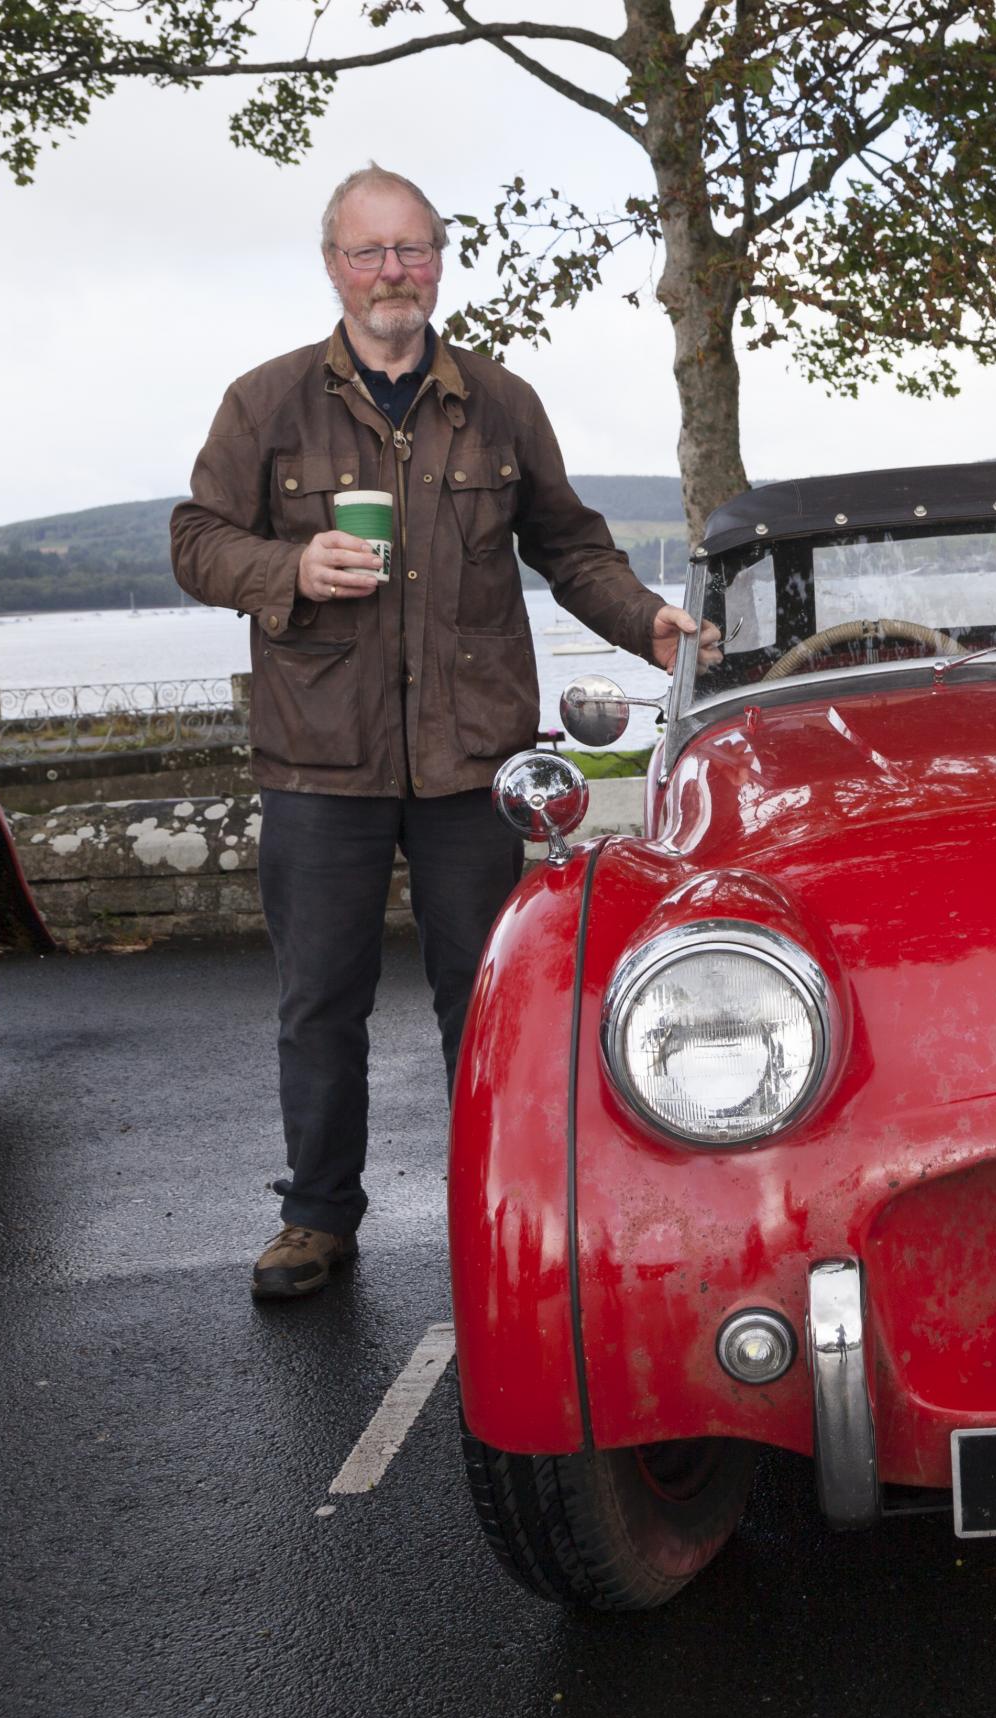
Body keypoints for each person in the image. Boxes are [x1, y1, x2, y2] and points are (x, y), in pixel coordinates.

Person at [171, 164, 718, 1301]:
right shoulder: (265, 402)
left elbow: (572, 549)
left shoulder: (502, 402)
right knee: (321, 998)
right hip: (321, 761)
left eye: (411, 250)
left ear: (438, 262)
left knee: (487, 994)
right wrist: (290, 565)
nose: (392, 274)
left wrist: (650, 623)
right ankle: (318, 1217)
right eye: (369, 253)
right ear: (333, 266)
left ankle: (496, 1207)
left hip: (474, 760)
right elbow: (195, 541)